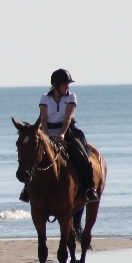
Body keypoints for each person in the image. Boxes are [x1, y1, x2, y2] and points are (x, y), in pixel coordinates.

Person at [20, 68, 99, 204]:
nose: (68, 86)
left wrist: (62, 134)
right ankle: (27, 188)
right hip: (48, 132)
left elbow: (68, 118)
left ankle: (89, 188)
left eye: (68, 84)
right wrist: (47, 136)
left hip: (68, 131)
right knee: (33, 155)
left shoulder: (71, 97)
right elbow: (43, 119)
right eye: (65, 84)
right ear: (56, 84)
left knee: (82, 156)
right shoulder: (45, 98)